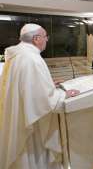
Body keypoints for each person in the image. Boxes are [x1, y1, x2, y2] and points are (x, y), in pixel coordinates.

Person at [0, 24, 79, 169]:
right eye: (45, 37)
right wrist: (63, 95)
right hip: (31, 122)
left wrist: (48, 84)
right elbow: (45, 101)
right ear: (36, 39)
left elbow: (26, 85)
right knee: (33, 154)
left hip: (19, 112)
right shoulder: (32, 59)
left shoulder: (17, 54)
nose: (47, 40)